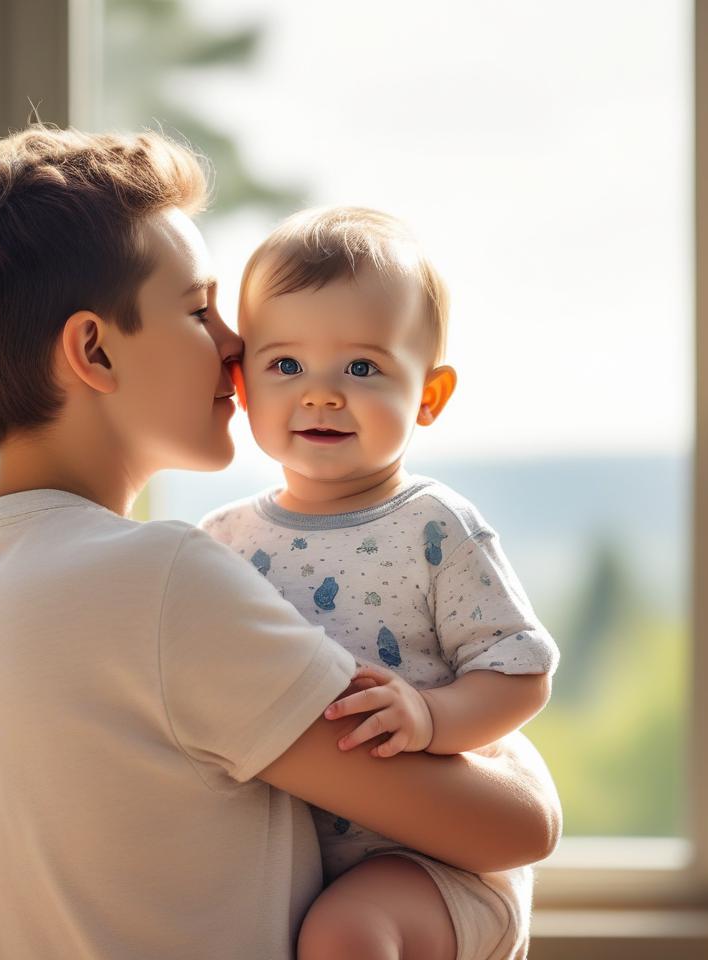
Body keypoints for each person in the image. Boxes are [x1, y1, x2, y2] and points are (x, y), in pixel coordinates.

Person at [0, 126, 561, 960]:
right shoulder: (163, 583)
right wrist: (504, 748)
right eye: (199, 309)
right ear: (93, 349)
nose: (237, 346)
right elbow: (515, 829)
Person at [201, 206, 560, 959]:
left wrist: (430, 718)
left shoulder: (434, 526)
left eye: (362, 368)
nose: (323, 393)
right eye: (286, 365)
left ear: (428, 395)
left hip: (435, 865)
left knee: (346, 936)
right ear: (241, 381)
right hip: (297, 860)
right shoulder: (221, 541)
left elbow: (519, 672)